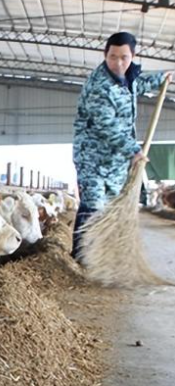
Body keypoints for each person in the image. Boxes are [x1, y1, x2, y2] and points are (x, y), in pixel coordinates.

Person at [71, 31, 172, 260]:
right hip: (92, 157)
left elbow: (140, 83)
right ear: (105, 54)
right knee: (93, 204)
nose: (118, 63)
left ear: (132, 57)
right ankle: (80, 257)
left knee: (110, 206)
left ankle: (102, 255)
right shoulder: (100, 86)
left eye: (124, 57)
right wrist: (134, 151)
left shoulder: (129, 78)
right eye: (113, 56)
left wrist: (162, 77)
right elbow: (107, 126)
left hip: (115, 161)